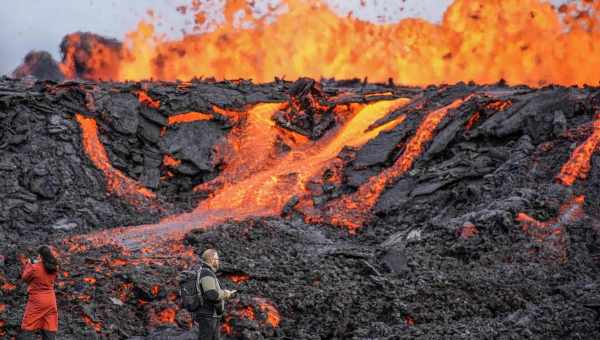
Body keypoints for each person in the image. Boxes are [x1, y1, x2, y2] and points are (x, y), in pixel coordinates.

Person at [19, 245, 59, 340]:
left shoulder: (35, 268)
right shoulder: (54, 267)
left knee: (28, 324)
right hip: (51, 301)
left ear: (40, 256)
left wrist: (29, 264)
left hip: (37, 301)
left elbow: (24, 278)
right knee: (49, 324)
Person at [195, 249, 235, 340]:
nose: (218, 262)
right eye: (217, 259)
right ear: (212, 259)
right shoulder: (206, 273)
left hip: (212, 315)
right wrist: (226, 293)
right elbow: (211, 294)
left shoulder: (207, 272)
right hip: (208, 316)